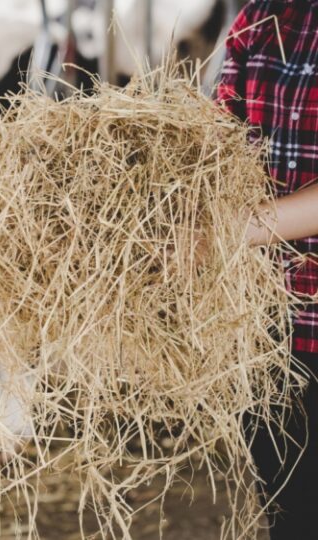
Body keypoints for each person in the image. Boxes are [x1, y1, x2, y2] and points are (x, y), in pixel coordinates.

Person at [217, 1, 318, 538]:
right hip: (266, 321)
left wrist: (232, 230)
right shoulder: (262, 16)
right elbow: (219, 137)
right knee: (286, 506)